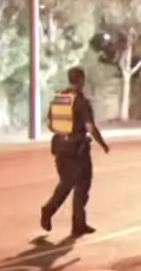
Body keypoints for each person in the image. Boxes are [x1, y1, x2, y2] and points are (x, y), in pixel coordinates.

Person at [40, 66, 108, 237]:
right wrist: (102, 143)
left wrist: (64, 134)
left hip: (60, 148)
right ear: (81, 80)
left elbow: (50, 123)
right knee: (82, 185)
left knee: (66, 183)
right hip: (78, 150)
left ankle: (49, 211)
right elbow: (90, 127)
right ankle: (77, 223)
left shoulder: (60, 98)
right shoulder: (81, 101)